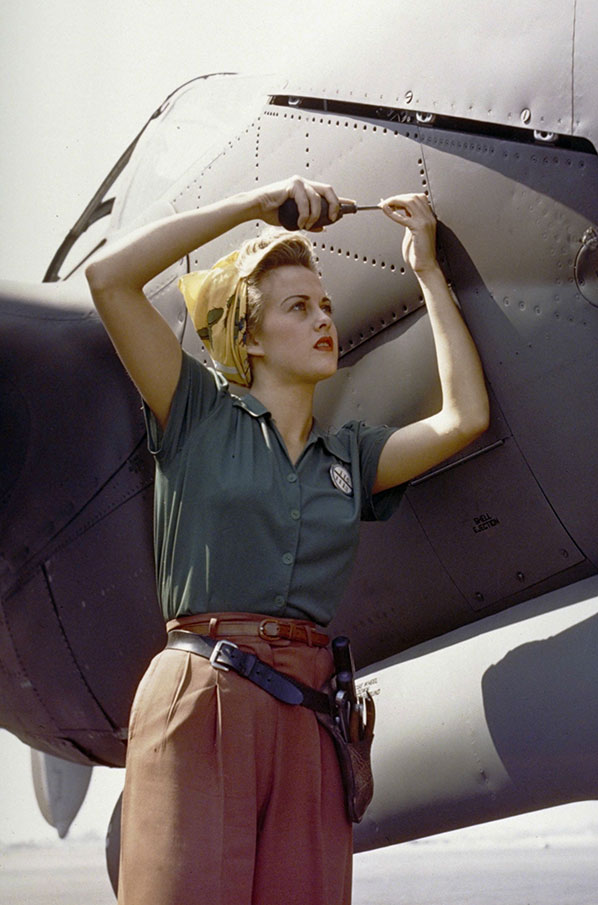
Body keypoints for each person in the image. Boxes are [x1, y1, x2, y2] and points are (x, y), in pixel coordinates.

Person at [86, 175, 489, 905]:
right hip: (204, 694)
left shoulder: (350, 459)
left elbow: (464, 417)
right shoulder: (195, 411)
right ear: (248, 334)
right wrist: (250, 205)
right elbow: (109, 279)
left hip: (311, 716)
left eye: (326, 305)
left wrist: (427, 270)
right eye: (298, 308)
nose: (323, 319)